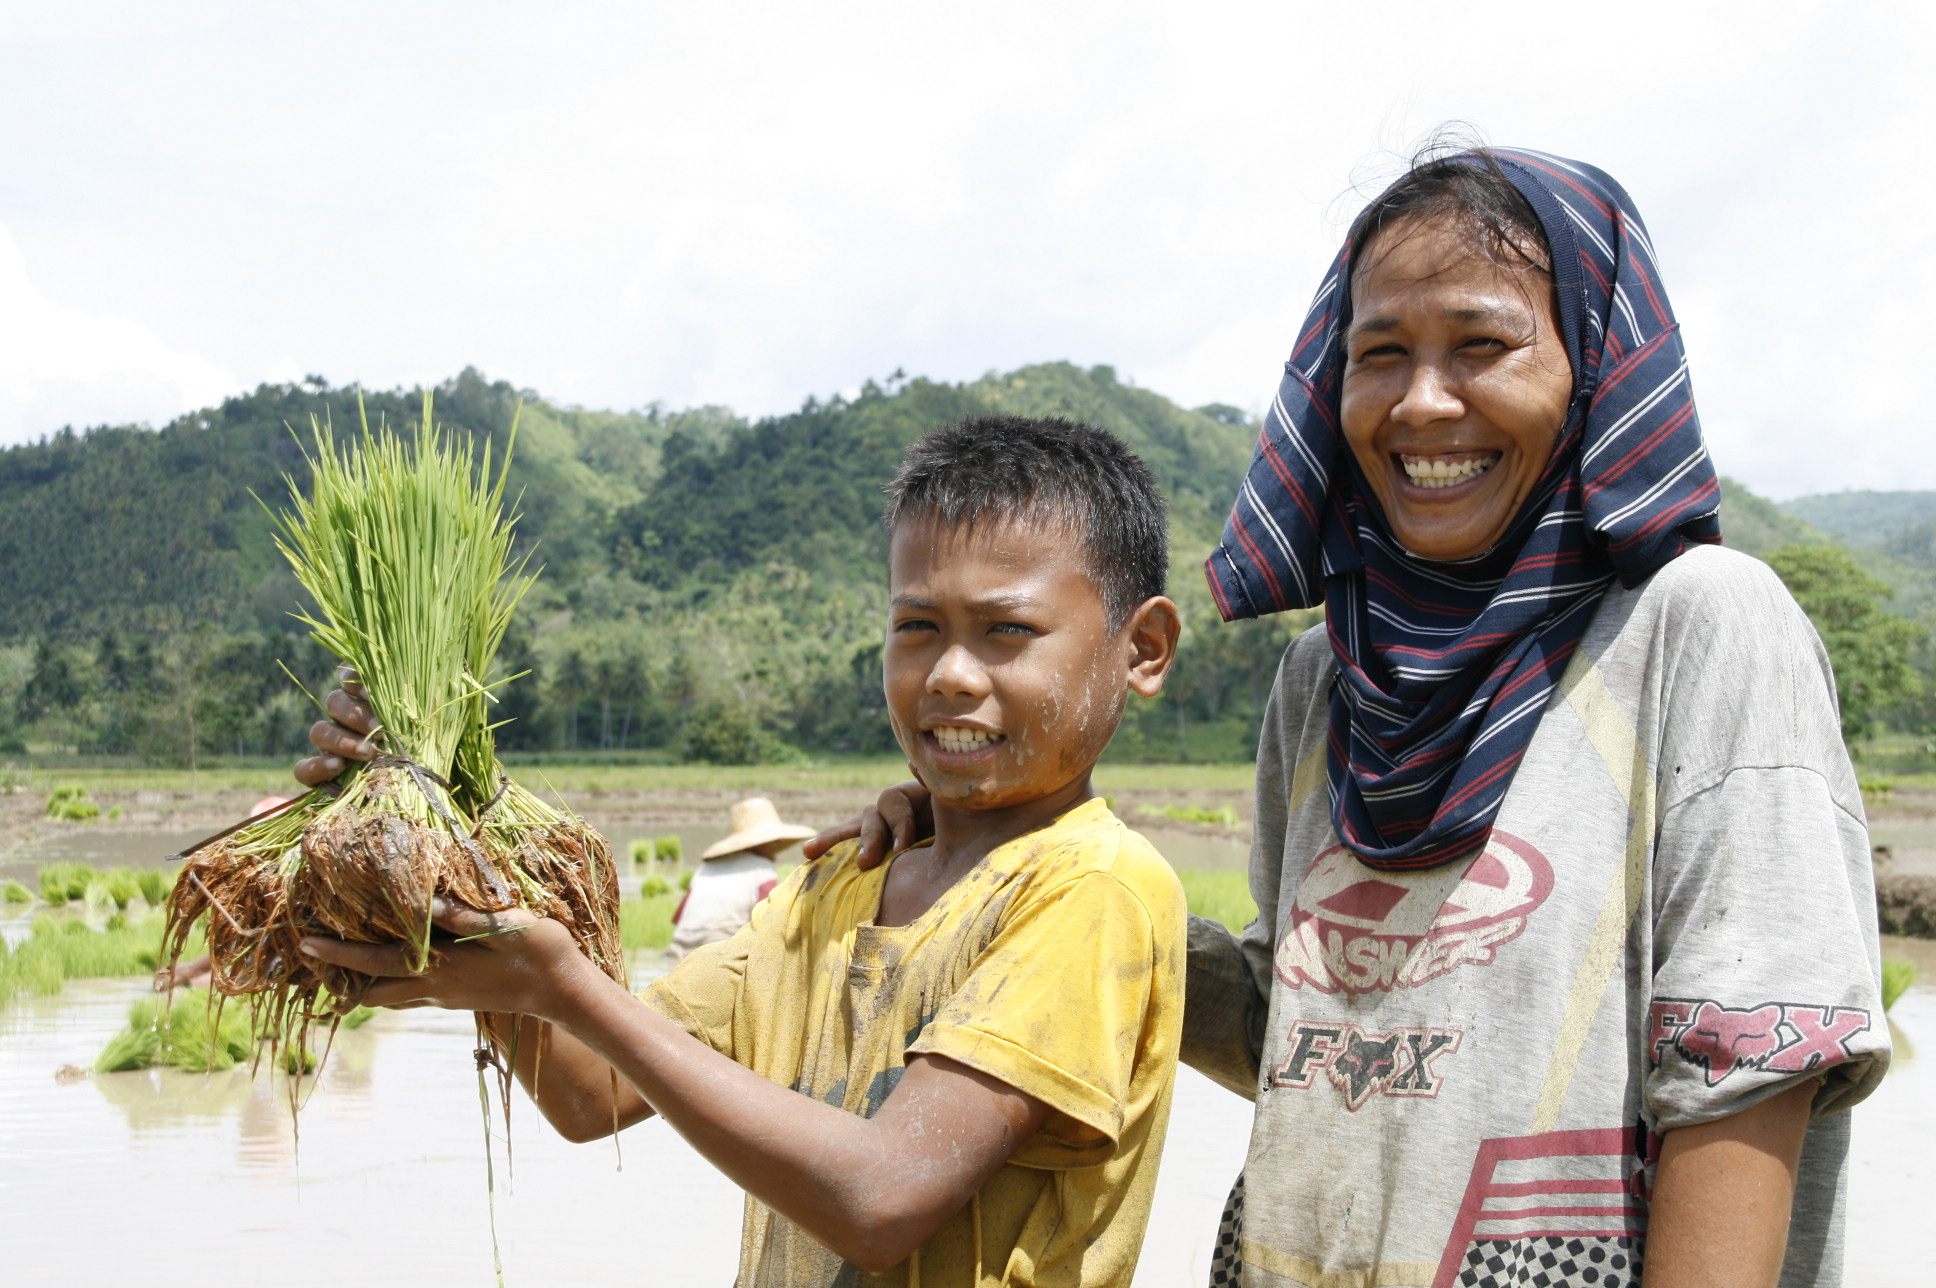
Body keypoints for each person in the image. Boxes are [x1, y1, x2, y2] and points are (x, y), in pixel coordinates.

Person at [808, 146, 1889, 1288]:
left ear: (1596, 367)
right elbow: (1293, 1032)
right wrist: (1009, 853)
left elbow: (1743, 1063)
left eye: (1482, 345)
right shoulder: (1328, 677)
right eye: (1379, 355)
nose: (1422, 402)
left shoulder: (1699, 629)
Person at [297, 416, 1190, 1286]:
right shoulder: (835, 886)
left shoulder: (1095, 889)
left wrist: (563, 985)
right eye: (917, 626)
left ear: (1143, 649)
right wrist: (442, 838)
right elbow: (591, 1091)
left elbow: (882, 1199)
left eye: (1008, 630)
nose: (950, 673)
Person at [666, 796, 811, 961]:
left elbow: (678, 918)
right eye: (772, 841)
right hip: (719, 951)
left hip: (678, 950)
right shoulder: (762, 869)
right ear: (759, 843)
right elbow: (772, 922)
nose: (775, 846)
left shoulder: (705, 868)